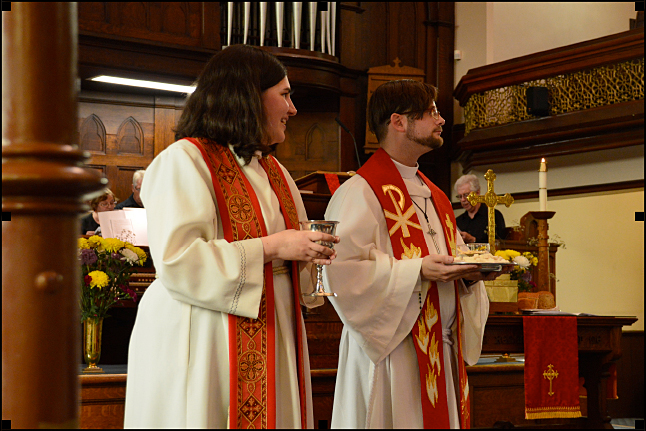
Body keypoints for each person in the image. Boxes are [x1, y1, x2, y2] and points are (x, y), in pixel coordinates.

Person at [124, 45, 339, 429]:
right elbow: (178, 261)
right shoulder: (184, 161)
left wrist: (308, 255)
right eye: (285, 95)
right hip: (205, 334)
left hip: (275, 325)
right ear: (248, 96)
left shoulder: (274, 170)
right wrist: (276, 246)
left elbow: (293, 250)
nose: (293, 109)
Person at [324, 80, 502, 428]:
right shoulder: (359, 192)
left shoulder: (435, 195)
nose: (442, 121)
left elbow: (454, 259)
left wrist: (471, 275)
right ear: (399, 122)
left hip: (441, 349)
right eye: (432, 112)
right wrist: (416, 271)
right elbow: (340, 272)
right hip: (393, 352)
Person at [454, 174, 507, 244]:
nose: (463, 200)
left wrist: (473, 240)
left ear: (477, 192)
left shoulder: (493, 215)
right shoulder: (458, 221)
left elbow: (501, 243)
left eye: (466, 195)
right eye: (460, 196)